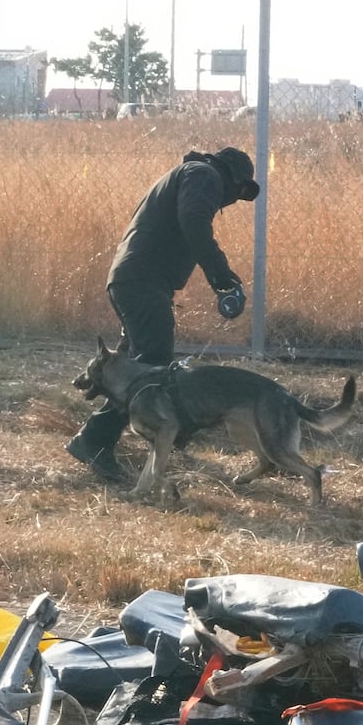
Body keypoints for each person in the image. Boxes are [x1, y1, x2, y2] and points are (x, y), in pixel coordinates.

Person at [66, 146, 260, 482]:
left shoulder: (188, 175)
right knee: (151, 369)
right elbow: (194, 223)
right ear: (232, 178)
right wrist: (221, 276)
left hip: (135, 278)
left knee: (133, 363)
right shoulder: (205, 176)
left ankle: (111, 435)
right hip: (143, 281)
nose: (231, 202)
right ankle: (95, 441)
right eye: (239, 192)